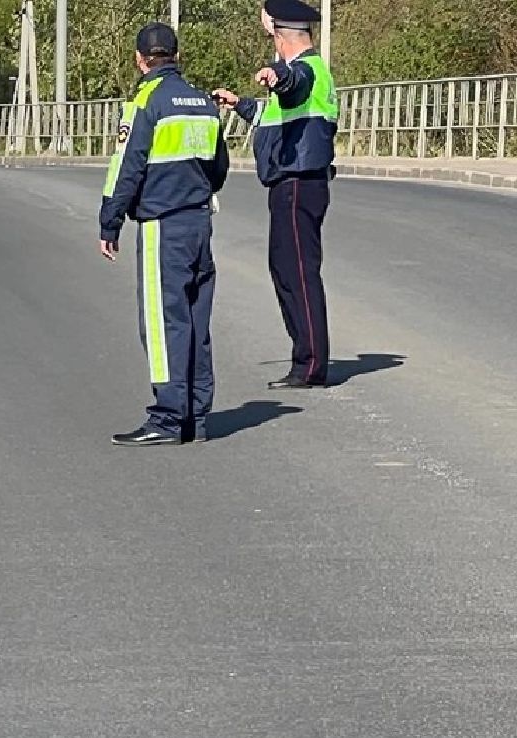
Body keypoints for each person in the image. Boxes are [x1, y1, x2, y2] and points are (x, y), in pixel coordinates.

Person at [99, 22, 228, 446]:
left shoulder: (145, 102)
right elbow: (219, 167)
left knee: (162, 321)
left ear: (140, 60)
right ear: (176, 55)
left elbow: (127, 166)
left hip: (162, 225)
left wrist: (110, 220)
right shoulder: (204, 103)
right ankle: (197, 417)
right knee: (195, 320)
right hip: (199, 222)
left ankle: (168, 419)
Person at [213, 0, 337, 389]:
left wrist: (277, 76)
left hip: (299, 183)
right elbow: (277, 117)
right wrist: (242, 105)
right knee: (286, 270)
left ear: (283, 38)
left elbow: (292, 82)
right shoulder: (307, 76)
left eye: (273, 38)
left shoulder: (305, 71)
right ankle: (305, 356)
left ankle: (311, 363)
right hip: (293, 185)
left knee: (298, 272)